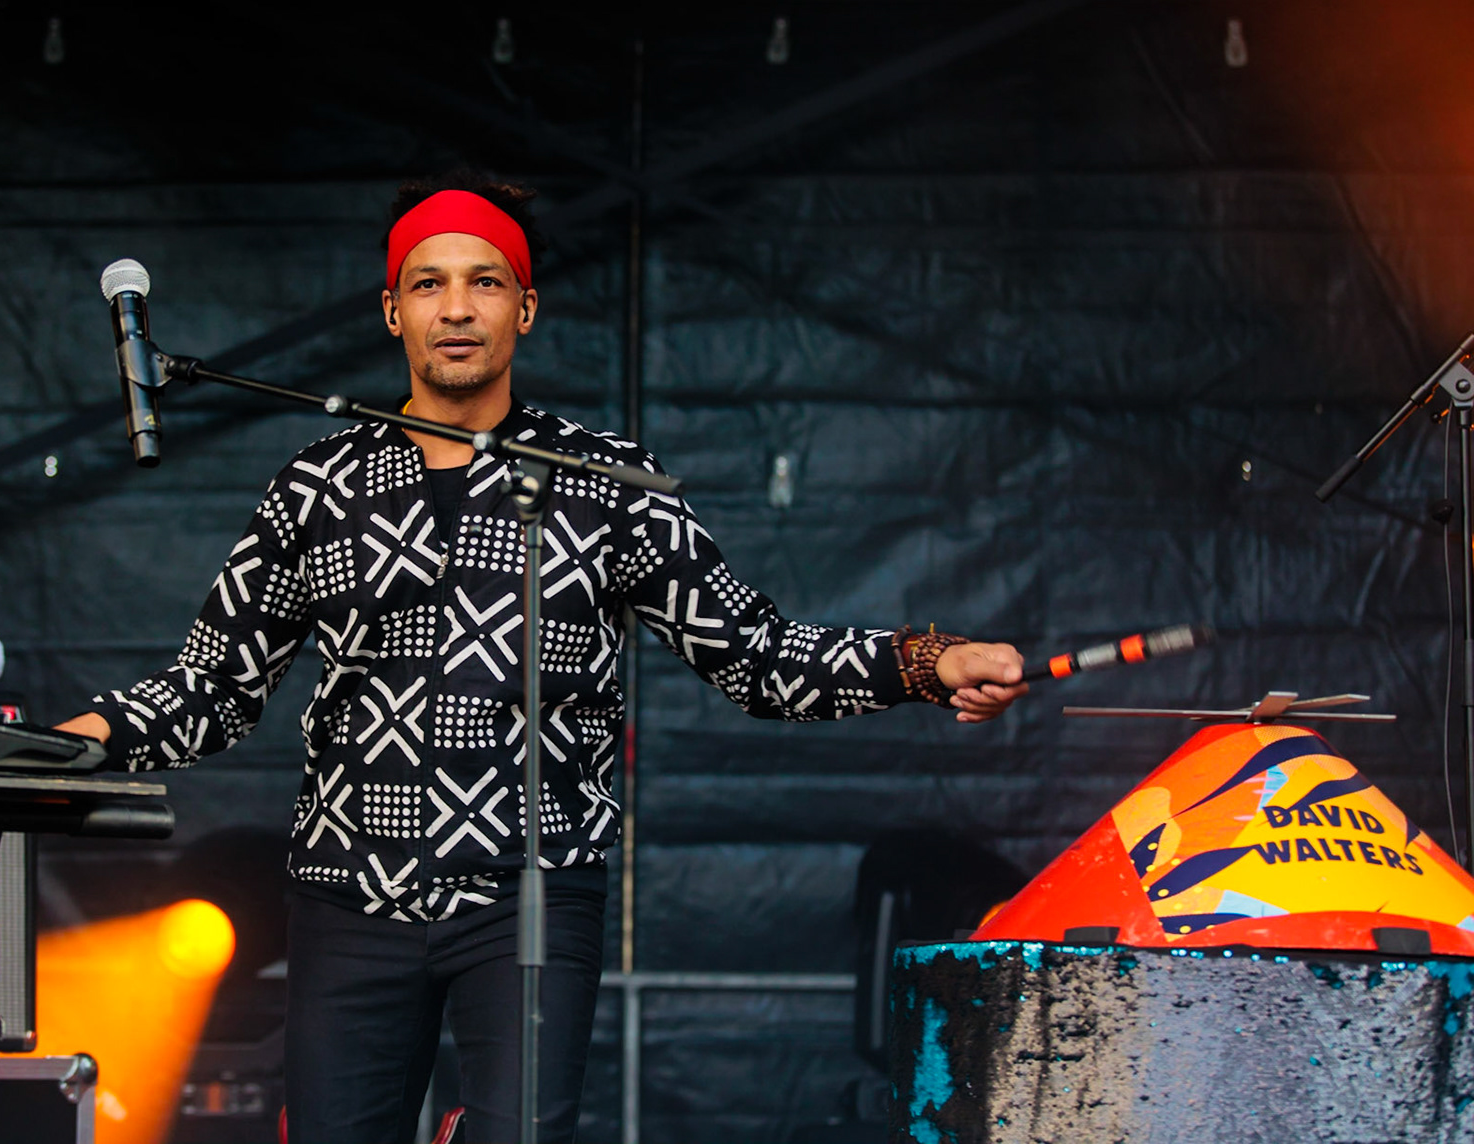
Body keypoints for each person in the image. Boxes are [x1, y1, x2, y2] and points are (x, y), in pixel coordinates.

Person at [56, 169, 1027, 1143]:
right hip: (350, 895)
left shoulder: (607, 485)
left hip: (532, 894)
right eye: (429, 284)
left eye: (484, 280)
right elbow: (212, 686)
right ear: (393, 311)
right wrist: (76, 741)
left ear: (526, 305)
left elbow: (756, 656)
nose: (457, 307)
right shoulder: (318, 488)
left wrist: (927, 659)